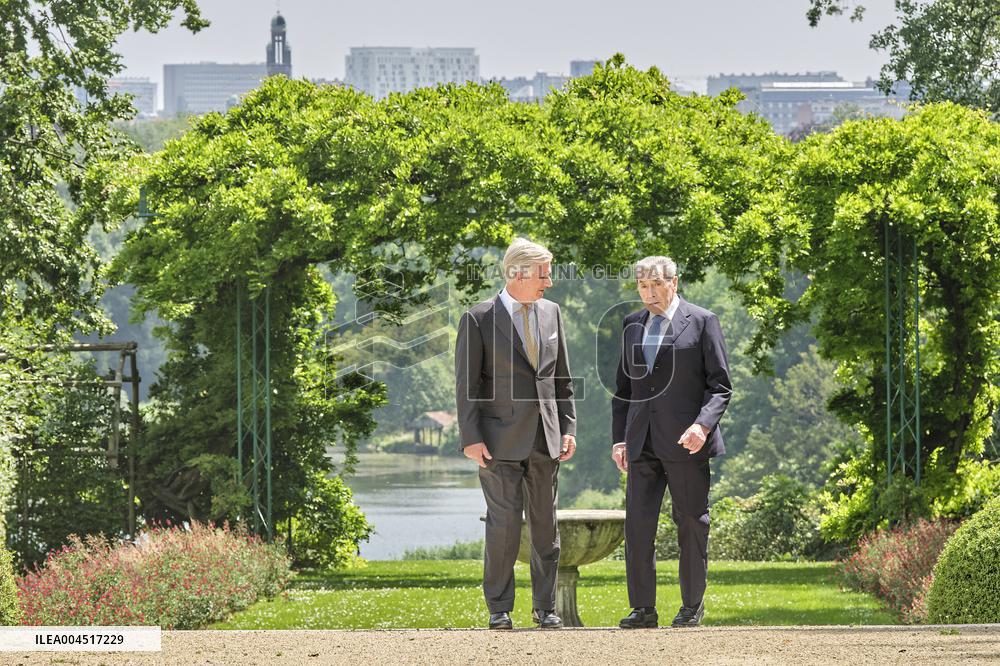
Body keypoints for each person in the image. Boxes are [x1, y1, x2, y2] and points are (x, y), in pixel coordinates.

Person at [455, 237, 577, 630]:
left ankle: (545, 608)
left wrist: (568, 427)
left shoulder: (552, 313)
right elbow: (467, 385)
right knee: (504, 526)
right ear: (518, 273)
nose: (549, 282)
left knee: (545, 528)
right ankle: (499, 608)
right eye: (544, 275)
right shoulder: (478, 318)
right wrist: (470, 436)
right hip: (497, 442)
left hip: (546, 438)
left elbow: (562, 379)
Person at [611, 255, 732, 628]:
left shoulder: (702, 321)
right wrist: (619, 439)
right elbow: (623, 389)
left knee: (691, 522)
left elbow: (721, 386)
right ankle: (643, 609)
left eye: (656, 285)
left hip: (686, 442)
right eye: (642, 286)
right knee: (638, 527)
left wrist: (702, 426)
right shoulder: (632, 325)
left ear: (674, 282)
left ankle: (692, 605)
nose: (649, 293)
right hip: (641, 441)